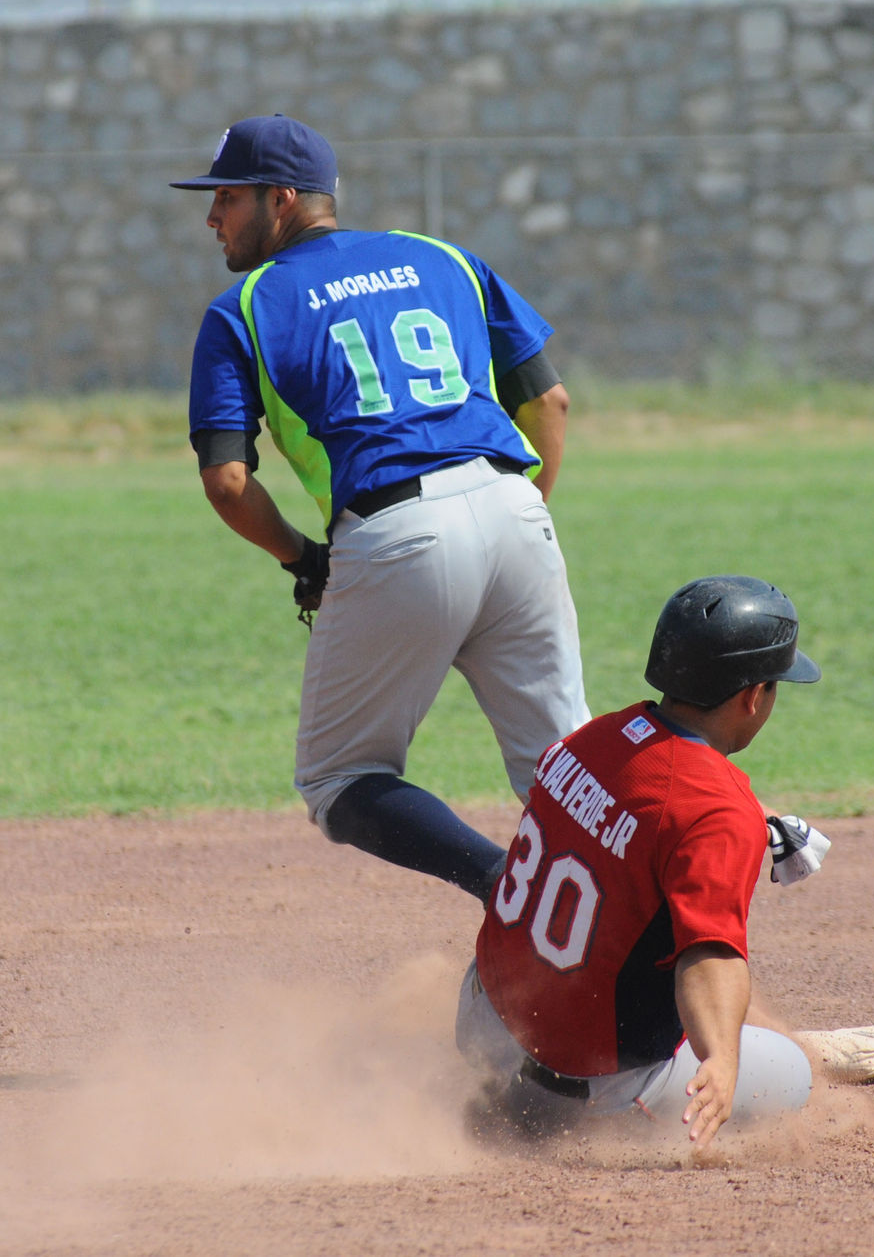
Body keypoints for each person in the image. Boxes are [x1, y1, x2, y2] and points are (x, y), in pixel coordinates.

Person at [170, 114, 588, 902]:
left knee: (338, 778)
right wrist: (516, 514)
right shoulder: (443, 257)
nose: (212, 216)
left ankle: (510, 890)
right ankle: (644, 964)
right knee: (567, 781)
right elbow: (552, 402)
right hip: (514, 510)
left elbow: (227, 482)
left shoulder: (245, 306)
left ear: (282, 197)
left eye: (227, 196)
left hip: (396, 533)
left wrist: (304, 559)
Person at [456, 575, 823, 1149]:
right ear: (753, 696)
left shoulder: (592, 738)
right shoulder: (719, 813)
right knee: (793, 1074)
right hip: (579, 1089)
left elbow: (645, 803)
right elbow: (708, 957)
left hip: (484, 1026)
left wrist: (744, 814)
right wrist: (721, 1063)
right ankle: (603, 1109)